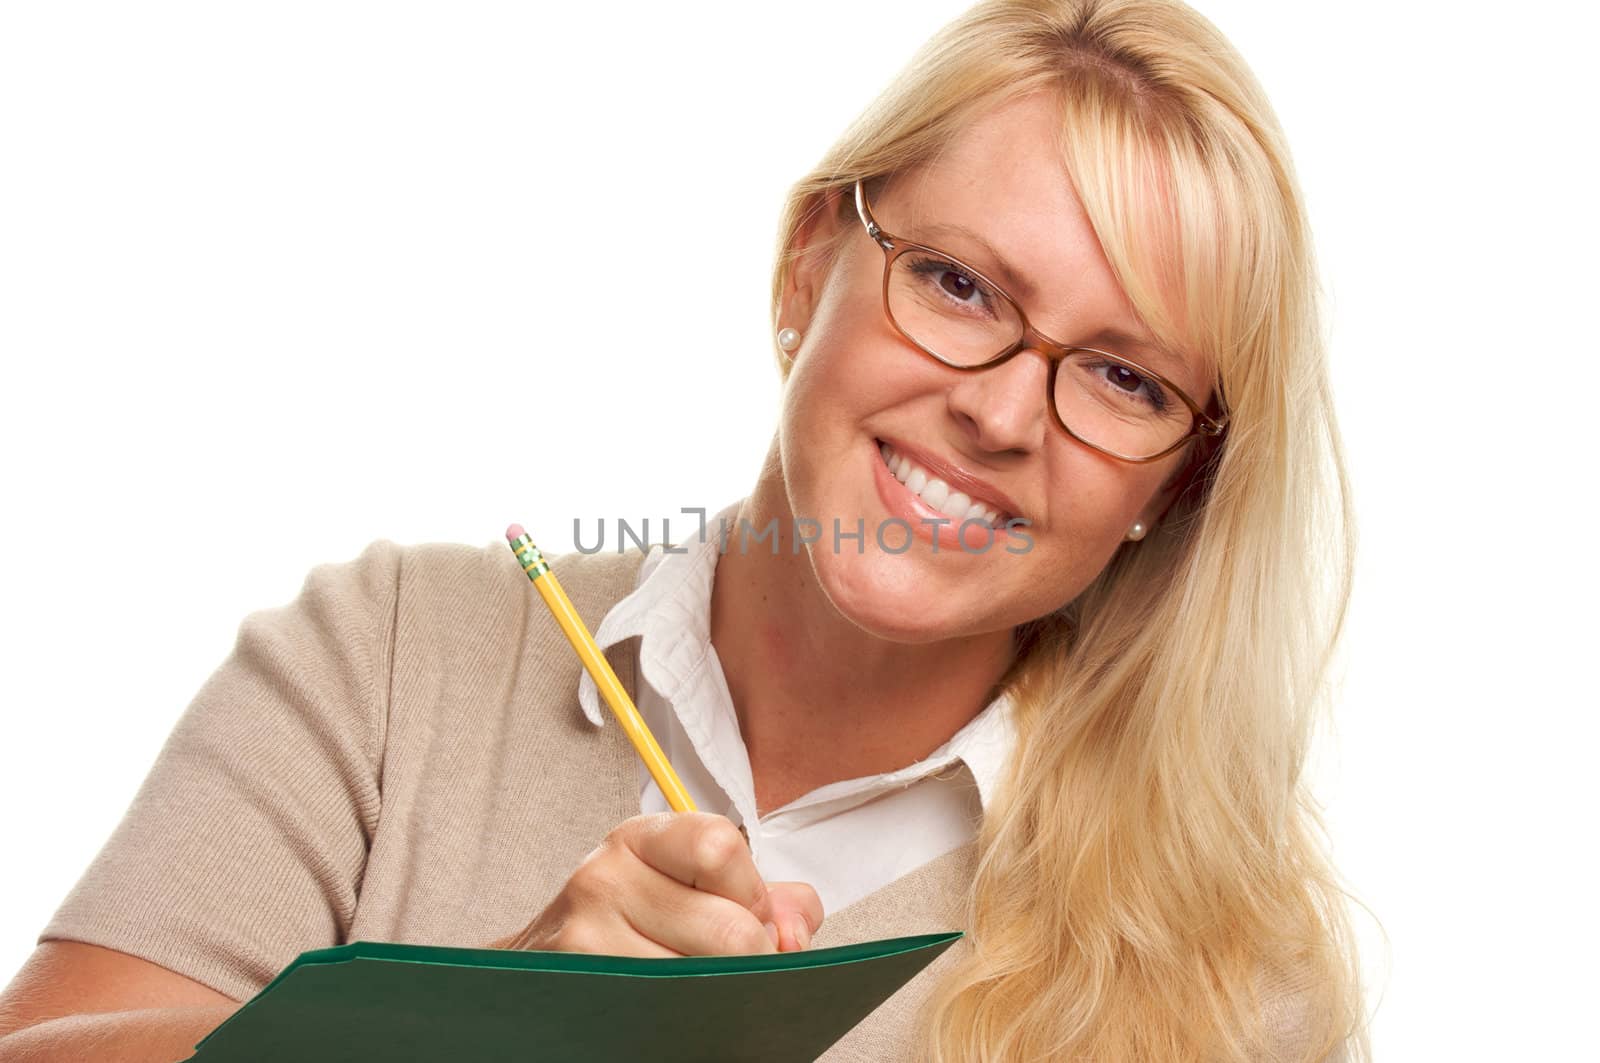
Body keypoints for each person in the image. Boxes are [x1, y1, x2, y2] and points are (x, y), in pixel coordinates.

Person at [0, 0, 1368, 1059]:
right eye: (958, 285)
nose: (1008, 413)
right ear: (807, 267)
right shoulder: (391, 660)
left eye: (1125, 379)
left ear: (1173, 490)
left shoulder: (1235, 972)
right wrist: (493, 1022)